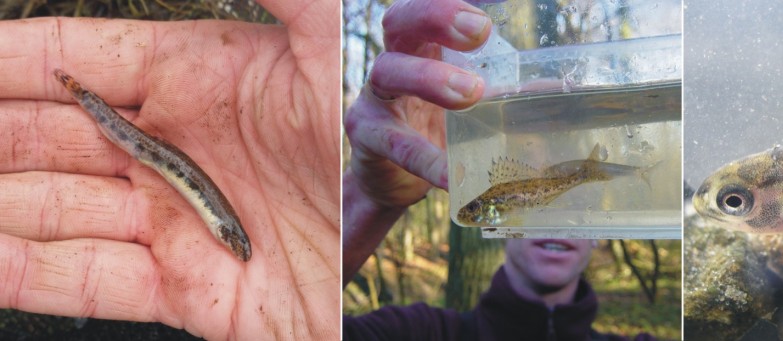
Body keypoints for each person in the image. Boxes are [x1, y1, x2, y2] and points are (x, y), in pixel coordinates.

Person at [0, 0, 339, 340]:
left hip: (154, 153)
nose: (240, 252)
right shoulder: (228, 227)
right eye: (239, 247)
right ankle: (79, 92)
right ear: (231, 236)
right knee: (124, 137)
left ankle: (80, 92)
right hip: (151, 151)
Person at [343, 0, 653, 339]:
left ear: (596, 235)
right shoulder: (419, 332)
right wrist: (369, 201)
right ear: (503, 231)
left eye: (576, 209)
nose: (554, 229)